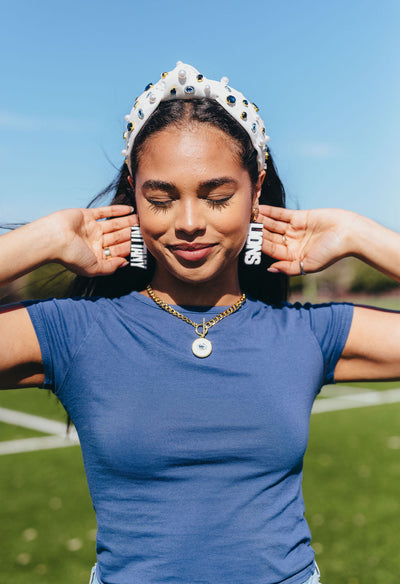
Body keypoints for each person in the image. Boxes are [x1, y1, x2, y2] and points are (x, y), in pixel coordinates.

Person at [1, 61, 399, 584]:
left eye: (217, 197)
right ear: (133, 191)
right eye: (161, 198)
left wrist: (359, 234)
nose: (189, 223)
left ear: (256, 190)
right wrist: (40, 242)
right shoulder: (75, 332)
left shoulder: (304, 334)